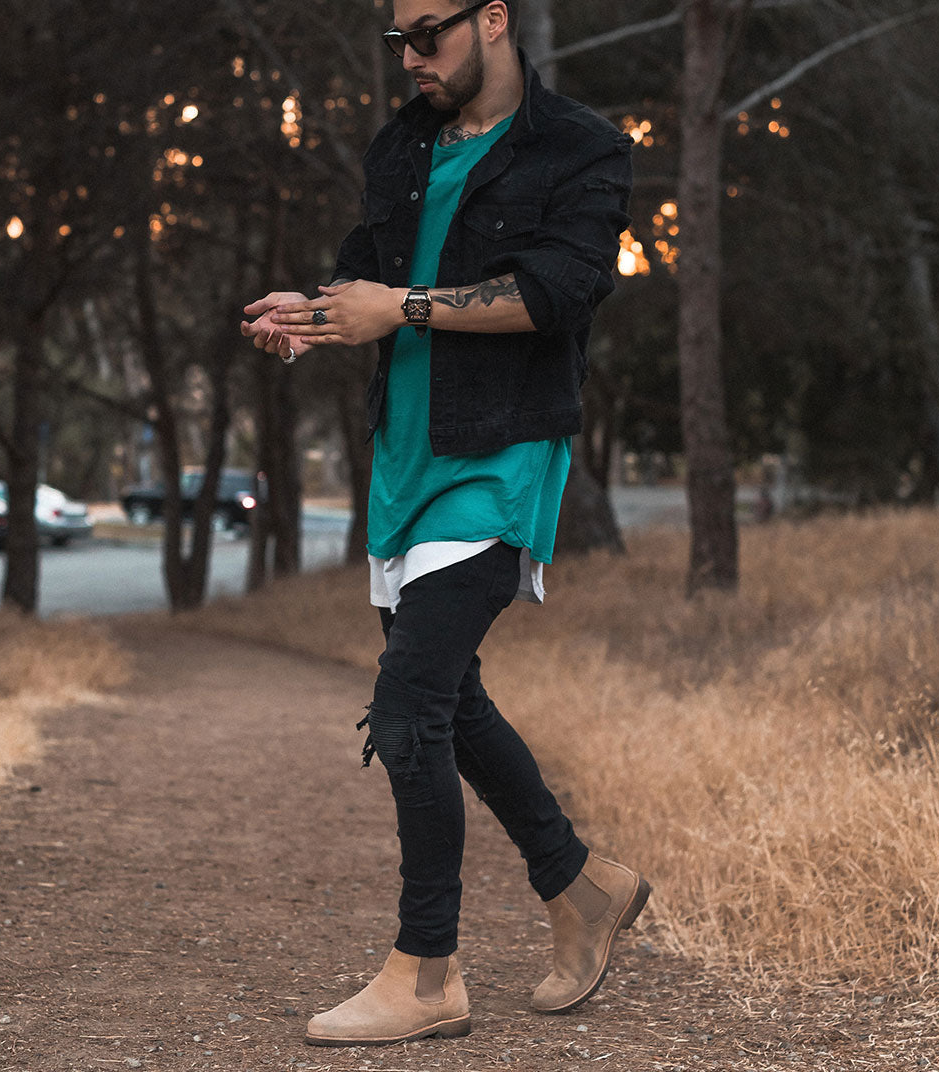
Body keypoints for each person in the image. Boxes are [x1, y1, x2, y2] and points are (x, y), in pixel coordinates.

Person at [241, 0, 649, 1048]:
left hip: (500, 452)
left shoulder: (581, 147)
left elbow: (558, 292)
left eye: (429, 33)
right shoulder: (403, 144)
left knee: (407, 706)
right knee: (451, 698)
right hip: (406, 454)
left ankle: (426, 972)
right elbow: (368, 272)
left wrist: (402, 307)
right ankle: (579, 883)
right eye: (398, 40)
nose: (411, 57)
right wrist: (314, 313)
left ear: (495, 18)